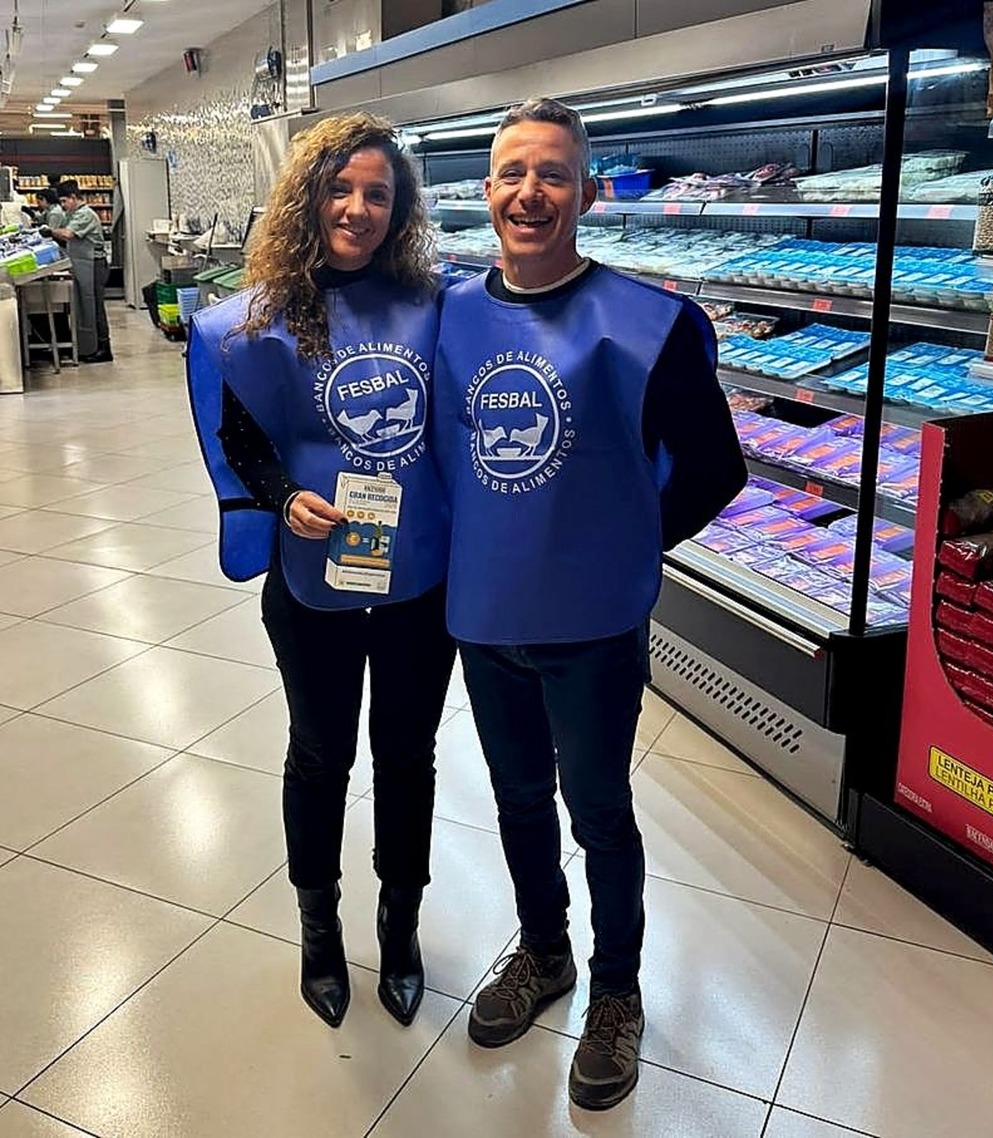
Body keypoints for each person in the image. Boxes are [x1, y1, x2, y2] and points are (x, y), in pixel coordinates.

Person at [433, 97, 747, 1111]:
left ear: (585, 190)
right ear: (486, 191)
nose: (531, 191)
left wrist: (626, 540)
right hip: (484, 618)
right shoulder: (447, 315)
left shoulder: (643, 325)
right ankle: (543, 951)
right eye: (512, 172)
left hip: (594, 629)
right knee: (518, 798)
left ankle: (615, 989)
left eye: (553, 173)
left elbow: (714, 466)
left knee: (600, 810)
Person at [186, 113, 456, 1031]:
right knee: (320, 752)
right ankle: (317, 923)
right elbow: (239, 436)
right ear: (307, 199)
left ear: (399, 207)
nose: (358, 208)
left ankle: (402, 920)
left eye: (377, 193)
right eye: (340, 190)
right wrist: (281, 492)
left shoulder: (436, 304)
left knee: (408, 756)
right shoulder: (256, 320)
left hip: (420, 580)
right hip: (313, 579)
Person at [46, 180, 112, 363]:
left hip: (94, 264)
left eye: (64, 201)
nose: (63, 205)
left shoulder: (85, 214)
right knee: (85, 306)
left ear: (74, 197)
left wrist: (50, 231)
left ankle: (103, 348)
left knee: (95, 306)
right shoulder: (73, 213)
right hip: (84, 264)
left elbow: (68, 234)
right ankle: (89, 346)